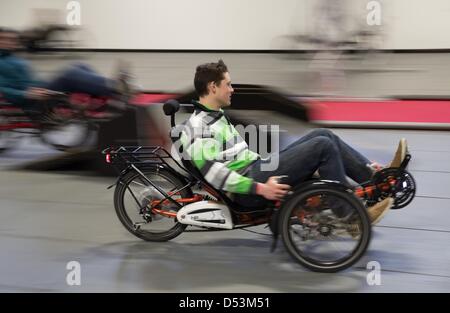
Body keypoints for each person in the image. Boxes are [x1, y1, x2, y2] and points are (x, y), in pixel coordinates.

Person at [173, 59, 407, 225]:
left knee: (323, 135)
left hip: (258, 167)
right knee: (322, 147)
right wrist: (260, 188)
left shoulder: (216, 115)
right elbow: (215, 175)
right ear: (213, 87)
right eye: (228, 85)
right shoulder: (198, 127)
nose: (232, 90)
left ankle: (374, 178)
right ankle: (349, 216)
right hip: (249, 187)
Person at [0, 27, 131, 116]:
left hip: (38, 88)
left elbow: (26, 79)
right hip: (30, 100)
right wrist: (25, 94)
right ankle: (113, 87)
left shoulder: (10, 57)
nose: (10, 42)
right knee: (69, 75)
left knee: (80, 65)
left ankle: (105, 94)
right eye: (5, 39)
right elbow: (3, 89)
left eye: (12, 40)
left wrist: (38, 84)